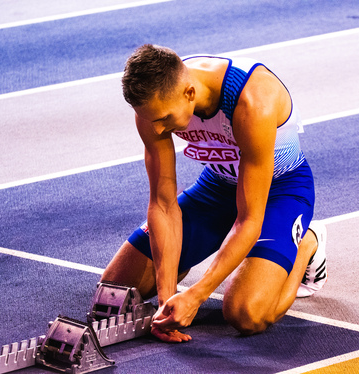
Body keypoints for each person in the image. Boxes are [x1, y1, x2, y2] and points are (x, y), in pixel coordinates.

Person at [100, 44, 327, 343]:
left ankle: (308, 242)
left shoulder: (253, 101)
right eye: (151, 120)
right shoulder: (153, 107)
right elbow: (163, 203)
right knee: (115, 291)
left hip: (278, 191)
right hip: (217, 186)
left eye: (164, 120)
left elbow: (248, 220)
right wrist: (166, 301)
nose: (156, 131)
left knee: (247, 314)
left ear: (189, 94)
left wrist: (196, 295)